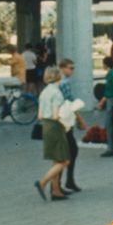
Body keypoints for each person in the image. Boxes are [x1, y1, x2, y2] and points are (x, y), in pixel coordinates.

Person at [33, 66, 72, 202]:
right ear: (58, 77)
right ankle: (42, 182)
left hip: (45, 126)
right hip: (55, 127)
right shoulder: (57, 93)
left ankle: (56, 191)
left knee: (56, 160)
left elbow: (39, 115)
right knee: (65, 160)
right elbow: (56, 115)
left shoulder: (44, 92)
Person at [57, 59, 86, 193]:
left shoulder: (58, 81)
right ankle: (62, 182)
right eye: (70, 68)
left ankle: (66, 181)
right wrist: (80, 119)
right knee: (70, 151)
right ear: (62, 68)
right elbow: (70, 102)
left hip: (61, 120)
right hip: (65, 121)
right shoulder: (64, 83)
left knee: (68, 151)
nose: (72, 71)